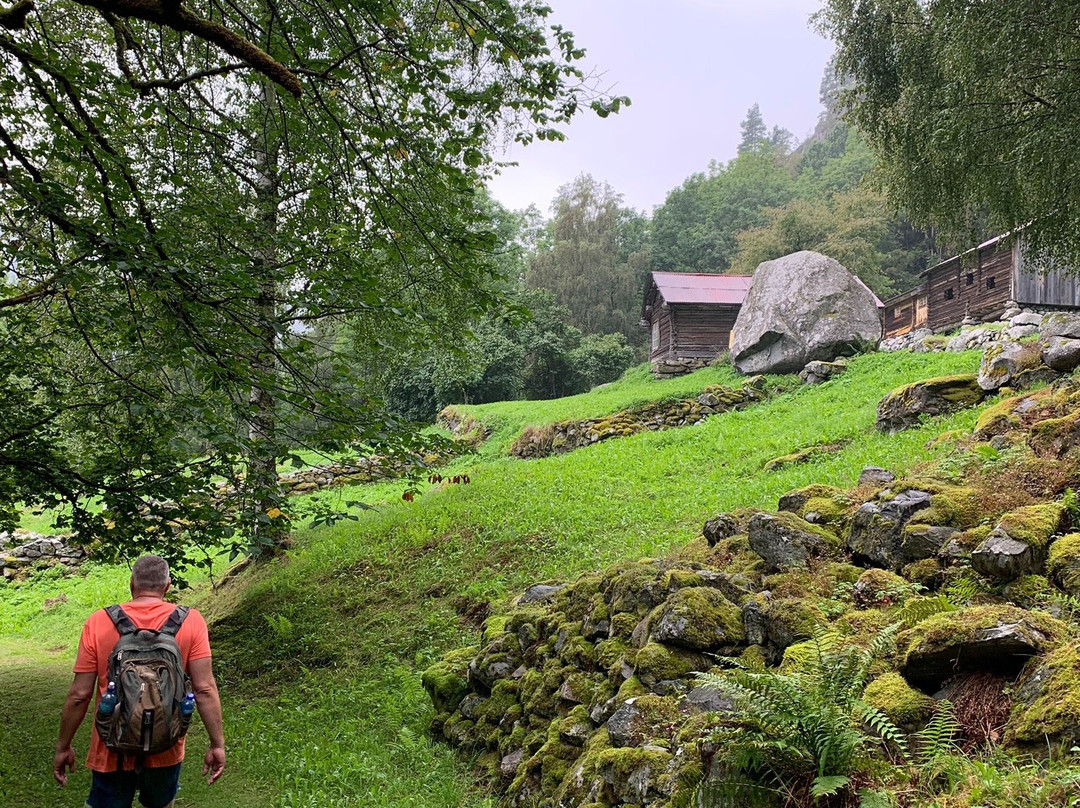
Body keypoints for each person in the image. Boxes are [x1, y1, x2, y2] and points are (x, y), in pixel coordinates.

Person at [53, 555, 226, 808]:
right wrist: (217, 744)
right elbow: (204, 688)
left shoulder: (99, 622)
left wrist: (63, 746)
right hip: (165, 744)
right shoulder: (192, 621)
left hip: (111, 746)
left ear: (132, 583)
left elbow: (80, 695)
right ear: (167, 585)